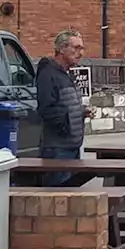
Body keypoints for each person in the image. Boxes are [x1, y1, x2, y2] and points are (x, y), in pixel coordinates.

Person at [36, 29, 87, 186]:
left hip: (71, 146)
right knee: (58, 197)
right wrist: (66, 123)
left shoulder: (65, 74)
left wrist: (81, 112)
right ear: (61, 49)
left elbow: (64, 105)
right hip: (58, 149)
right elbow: (46, 109)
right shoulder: (48, 74)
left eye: (82, 48)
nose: (80, 53)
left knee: (71, 196)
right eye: (76, 48)